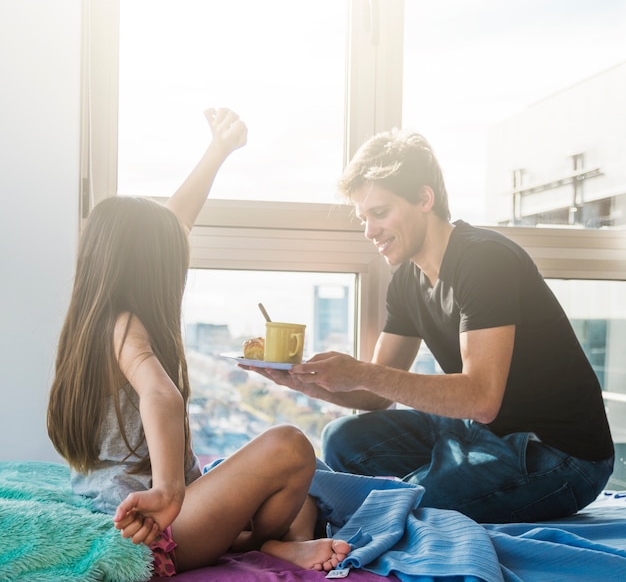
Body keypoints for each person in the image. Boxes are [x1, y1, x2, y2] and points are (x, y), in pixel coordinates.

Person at [250, 128, 615, 524]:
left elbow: (480, 399)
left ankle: (403, 496)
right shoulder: (408, 280)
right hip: (480, 431)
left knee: (408, 506)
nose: (369, 231)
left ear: (424, 199)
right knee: (343, 440)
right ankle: (417, 487)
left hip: (560, 454)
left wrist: (359, 372)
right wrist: (301, 380)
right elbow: (374, 394)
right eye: (363, 218)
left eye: (379, 213)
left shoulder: (484, 260)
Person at [47, 108, 350, 577]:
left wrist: (218, 150)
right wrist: (170, 493)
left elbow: (173, 222)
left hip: (151, 511)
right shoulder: (126, 326)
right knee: (292, 447)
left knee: (306, 488)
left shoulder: (93, 320)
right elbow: (160, 394)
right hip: (157, 527)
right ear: (152, 269)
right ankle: (267, 544)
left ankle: (275, 540)